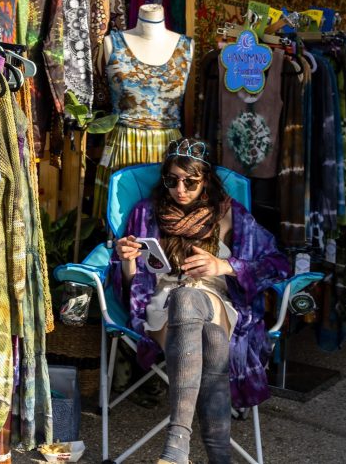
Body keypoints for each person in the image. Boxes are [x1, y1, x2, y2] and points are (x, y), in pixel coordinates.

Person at [112, 137, 290, 464]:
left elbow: (277, 263)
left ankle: (177, 446)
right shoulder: (146, 213)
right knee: (210, 336)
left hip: (218, 299)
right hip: (163, 305)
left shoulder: (230, 215)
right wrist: (127, 261)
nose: (180, 189)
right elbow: (131, 286)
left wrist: (225, 266)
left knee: (190, 299)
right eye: (172, 181)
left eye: (190, 181)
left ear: (205, 180)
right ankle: (219, 457)